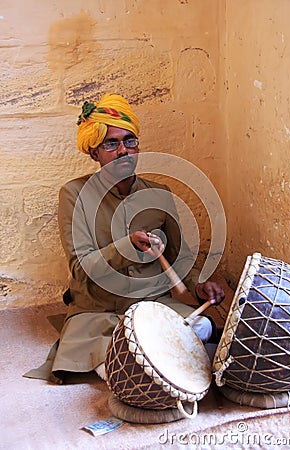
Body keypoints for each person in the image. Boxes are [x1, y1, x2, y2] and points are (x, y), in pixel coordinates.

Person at [50, 93, 225, 383]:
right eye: (111, 143)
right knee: (122, 362)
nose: (123, 151)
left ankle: (148, 348)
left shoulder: (160, 194)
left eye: (129, 141)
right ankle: (133, 353)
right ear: (94, 152)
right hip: (101, 309)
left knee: (203, 325)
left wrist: (199, 285)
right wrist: (125, 246)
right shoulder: (73, 195)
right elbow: (81, 268)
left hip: (151, 303)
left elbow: (179, 260)